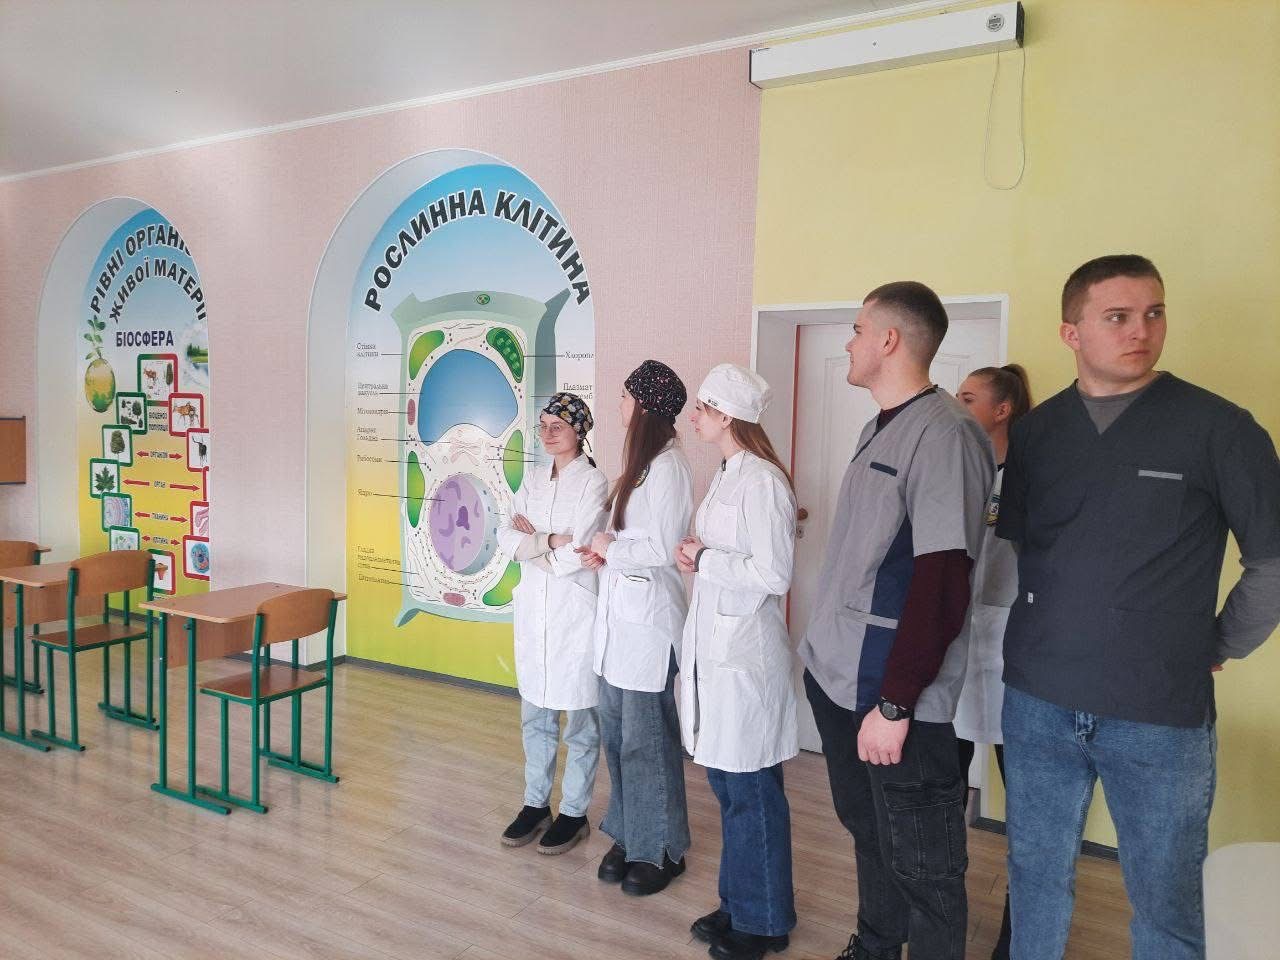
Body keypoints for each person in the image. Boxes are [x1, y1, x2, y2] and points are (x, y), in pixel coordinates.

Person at [996, 255, 1280, 960]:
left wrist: (1219, 643)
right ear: (1071, 333)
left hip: (1156, 712)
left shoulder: (1219, 429)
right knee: (1034, 876)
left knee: (1165, 900)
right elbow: (1026, 553)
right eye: (1118, 316)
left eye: (1154, 313)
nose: (1141, 330)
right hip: (1037, 700)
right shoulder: (1036, 434)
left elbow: (1272, 563)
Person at [798, 281, 995, 960]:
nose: (850, 342)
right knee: (869, 831)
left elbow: (942, 582)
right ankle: (876, 946)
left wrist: (895, 702)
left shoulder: (947, 436)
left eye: (857, 329)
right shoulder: (876, 427)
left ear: (888, 339)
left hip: (890, 695)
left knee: (925, 863)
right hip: (839, 678)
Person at [677, 363, 799, 960]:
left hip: (745, 659)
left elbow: (774, 574)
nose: (694, 416)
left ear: (727, 416)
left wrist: (705, 560)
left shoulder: (763, 481)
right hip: (717, 653)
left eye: (702, 407)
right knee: (729, 788)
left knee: (751, 792)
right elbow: (725, 555)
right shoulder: (727, 473)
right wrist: (698, 556)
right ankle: (738, 903)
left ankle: (765, 921)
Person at [580, 359, 695, 896]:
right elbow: (630, 540)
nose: (620, 405)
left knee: (648, 742)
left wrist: (611, 547)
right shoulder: (642, 465)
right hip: (619, 627)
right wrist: (605, 551)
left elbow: (662, 547)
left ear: (645, 406)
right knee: (619, 737)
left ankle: (663, 848)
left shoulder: (669, 467)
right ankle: (629, 835)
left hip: (648, 629)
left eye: (626, 397)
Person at [495, 392, 608, 855]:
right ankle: (535, 804)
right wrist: (552, 540)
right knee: (535, 717)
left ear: (578, 431)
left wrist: (536, 544)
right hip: (534, 611)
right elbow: (504, 535)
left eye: (556, 426)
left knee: (580, 722)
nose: (547, 434)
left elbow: (580, 553)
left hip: (574, 614)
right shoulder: (533, 480)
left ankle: (575, 812)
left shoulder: (593, 483)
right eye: (542, 425)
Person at [953, 363, 1033, 960]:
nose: (958, 406)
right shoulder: (963, 471)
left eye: (968, 397)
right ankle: (939, 921)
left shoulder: (1033, 477)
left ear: (1002, 410)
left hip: (1015, 651)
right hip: (957, 646)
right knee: (941, 797)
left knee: (1027, 812)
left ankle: (1018, 938)